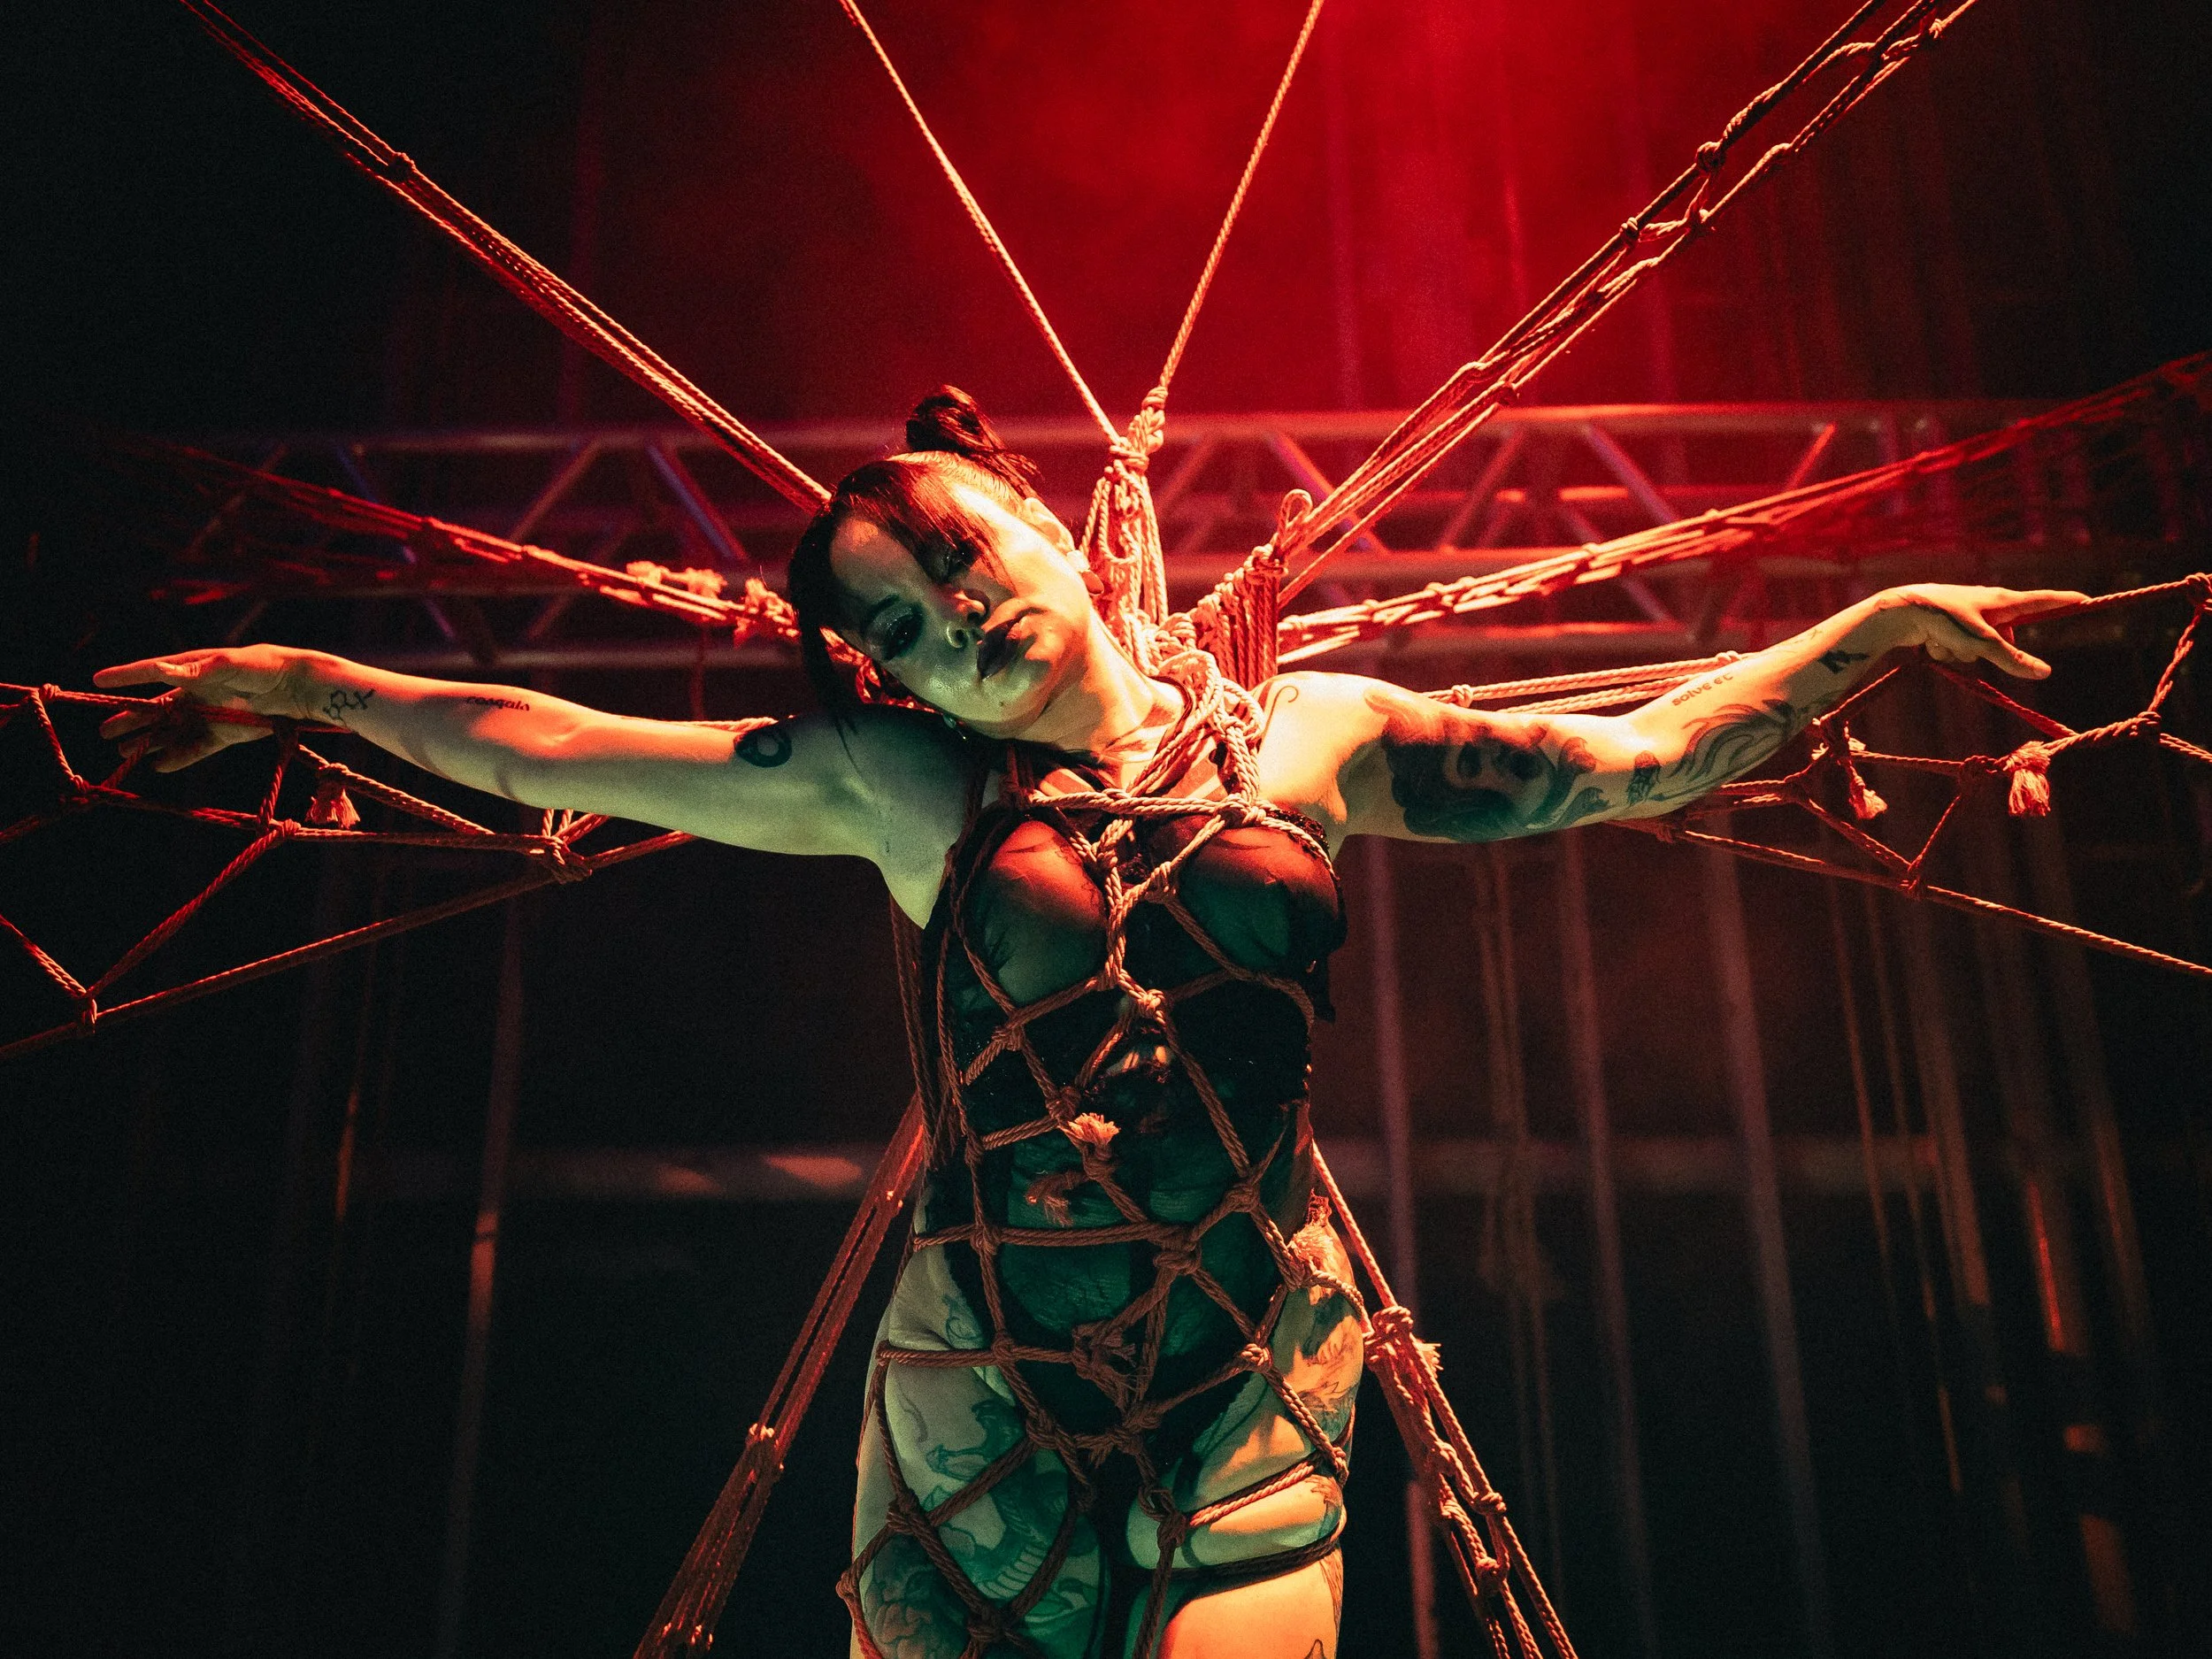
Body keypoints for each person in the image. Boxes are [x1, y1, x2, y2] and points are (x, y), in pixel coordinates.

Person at [95, 388, 2079, 1659]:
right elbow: (544, 737)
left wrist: (1868, 628)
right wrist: (294, 678)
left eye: (955, 556)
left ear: (1041, 521)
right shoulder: (899, 796)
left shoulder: (1311, 734)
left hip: (1246, 1391)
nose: (945, 620)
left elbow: (1623, 756)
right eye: (893, 627)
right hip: (979, 1410)